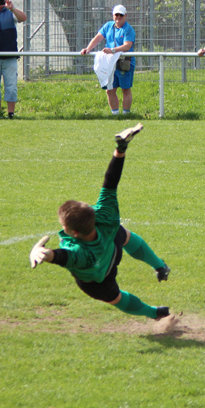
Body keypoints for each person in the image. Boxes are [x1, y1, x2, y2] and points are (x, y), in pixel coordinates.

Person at [29, 124, 176, 326]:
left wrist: (41, 252)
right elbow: (111, 180)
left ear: (75, 232)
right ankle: (160, 266)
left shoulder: (80, 254)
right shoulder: (103, 214)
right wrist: (121, 148)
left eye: (64, 227)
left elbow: (62, 256)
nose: (62, 229)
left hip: (98, 276)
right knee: (122, 234)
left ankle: (155, 313)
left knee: (115, 297)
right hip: (111, 245)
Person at [80, 5, 136, 115]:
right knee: (110, 89)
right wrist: (88, 49)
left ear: (126, 16)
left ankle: (126, 114)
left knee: (125, 89)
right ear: (113, 15)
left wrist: (113, 50)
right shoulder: (108, 26)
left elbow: (127, 46)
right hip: (110, 62)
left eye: (121, 15)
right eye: (116, 15)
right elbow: (98, 38)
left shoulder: (128, 29)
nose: (118, 17)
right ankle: (115, 115)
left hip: (124, 62)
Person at [0, 0, 27, 119]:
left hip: (9, 56)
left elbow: (23, 18)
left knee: (11, 86)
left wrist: (12, 8)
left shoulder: (10, 12)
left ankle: (11, 113)